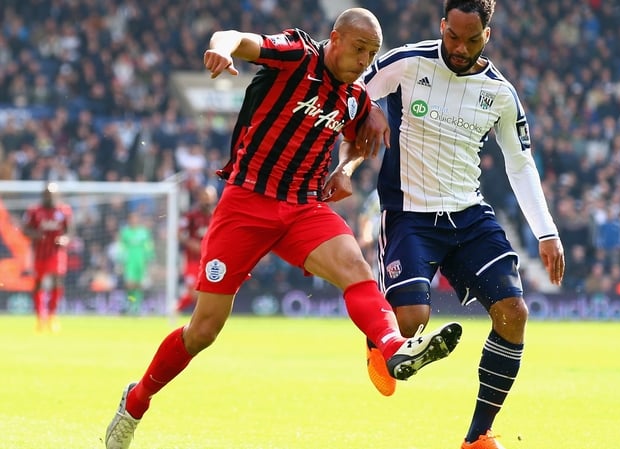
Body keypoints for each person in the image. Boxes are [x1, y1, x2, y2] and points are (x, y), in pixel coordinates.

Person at [104, 8, 462, 449]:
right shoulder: (296, 55)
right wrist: (220, 48)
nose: (365, 61)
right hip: (247, 203)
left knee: (356, 267)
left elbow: (356, 140)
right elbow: (234, 34)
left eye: (372, 53)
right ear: (334, 39)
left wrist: (345, 167)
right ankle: (136, 401)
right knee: (203, 331)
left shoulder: (354, 98)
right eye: (358, 49)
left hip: (302, 208)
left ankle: (391, 347)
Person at [350, 1, 566, 448]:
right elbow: (349, 92)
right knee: (410, 321)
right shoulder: (406, 63)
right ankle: (382, 340)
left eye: (471, 40)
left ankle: (478, 437)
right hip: (409, 215)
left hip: (468, 216)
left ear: (488, 35)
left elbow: (520, 164)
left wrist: (547, 231)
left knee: (514, 314)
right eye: (453, 36)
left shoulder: (501, 94)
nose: (459, 47)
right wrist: (365, 110)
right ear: (442, 25)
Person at [22, 183, 72, 333]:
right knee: (38, 284)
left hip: (56, 253)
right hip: (39, 254)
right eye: (47, 194)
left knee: (57, 280)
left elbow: (69, 232)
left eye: (52, 194)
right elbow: (25, 229)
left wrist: (65, 240)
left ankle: (52, 316)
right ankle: (40, 317)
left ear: (56, 195)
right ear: (43, 195)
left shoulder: (64, 211)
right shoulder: (34, 211)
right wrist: (34, 234)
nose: (49, 196)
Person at [174, 185, 218, 314]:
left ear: (214, 198)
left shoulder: (218, 216)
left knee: (207, 292)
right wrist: (191, 243)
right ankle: (176, 308)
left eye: (209, 198)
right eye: (204, 197)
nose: (207, 200)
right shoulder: (191, 215)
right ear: (199, 198)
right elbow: (179, 233)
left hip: (211, 260)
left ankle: (175, 308)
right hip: (193, 259)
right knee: (193, 292)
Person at [117, 211, 155, 315]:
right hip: (129, 262)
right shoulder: (125, 232)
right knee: (130, 285)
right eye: (131, 218)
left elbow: (148, 246)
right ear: (129, 220)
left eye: (135, 218)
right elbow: (121, 247)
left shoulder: (144, 232)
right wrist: (120, 260)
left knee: (139, 285)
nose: (134, 220)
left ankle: (136, 307)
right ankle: (131, 303)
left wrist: (150, 257)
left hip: (141, 262)